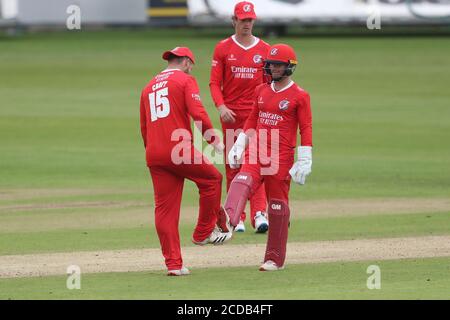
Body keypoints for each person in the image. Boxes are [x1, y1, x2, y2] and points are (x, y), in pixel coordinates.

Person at [219, 43, 313, 271]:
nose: (272, 69)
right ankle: (226, 223)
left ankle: (274, 258)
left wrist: (305, 159)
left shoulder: (300, 96)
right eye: (270, 65)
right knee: (242, 181)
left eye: (278, 65)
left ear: (289, 67)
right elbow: (252, 119)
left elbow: (306, 127)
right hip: (256, 151)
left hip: (280, 158)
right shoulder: (261, 90)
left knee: (278, 208)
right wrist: (239, 145)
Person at [140, 47, 232, 276]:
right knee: (213, 179)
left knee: (165, 210)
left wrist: (153, 152)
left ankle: (174, 265)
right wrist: (216, 143)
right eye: (191, 65)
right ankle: (203, 233)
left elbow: (144, 127)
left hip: (154, 152)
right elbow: (198, 114)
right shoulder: (184, 80)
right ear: (185, 62)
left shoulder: (148, 86)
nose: (191, 69)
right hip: (178, 148)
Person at [210, 1, 271, 233]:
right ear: (233, 20)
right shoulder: (223, 48)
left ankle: (259, 213)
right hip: (231, 117)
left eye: (250, 20)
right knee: (233, 164)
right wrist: (221, 106)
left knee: (257, 164)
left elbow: (269, 83)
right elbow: (215, 82)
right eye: (242, 20)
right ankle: (237, 215)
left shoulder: (265, 49)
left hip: (255, 116)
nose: (247, 24)